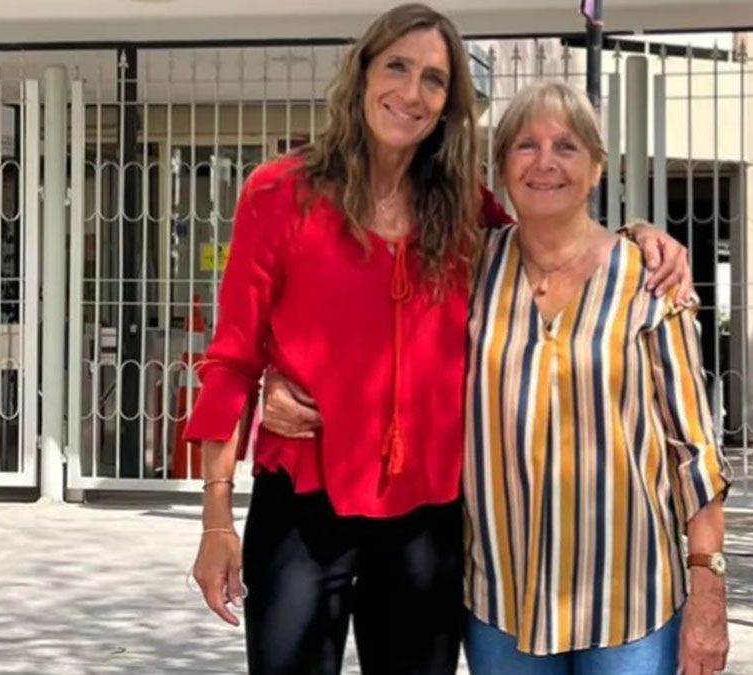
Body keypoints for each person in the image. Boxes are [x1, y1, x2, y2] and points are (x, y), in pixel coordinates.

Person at [189, 4, 693, 675]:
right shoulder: (279, 194)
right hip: (305, 509)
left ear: (449, 103)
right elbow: (230, 359)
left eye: (434, 79)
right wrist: (216, 521)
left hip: (425, 523)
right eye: (397, 66)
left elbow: (550, 230)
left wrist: (637, 234)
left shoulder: (464, 209)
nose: (412, 91)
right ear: (362, 73)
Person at [458, 80, 731, 675]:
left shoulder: (649, 278)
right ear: (502, 166)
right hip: (502, 597)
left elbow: (694, 450)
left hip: (628, 604)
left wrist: (709, 592)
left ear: (597, 166)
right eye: (526, 145)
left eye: (567, 146)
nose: (546, 162)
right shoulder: (471, 267)